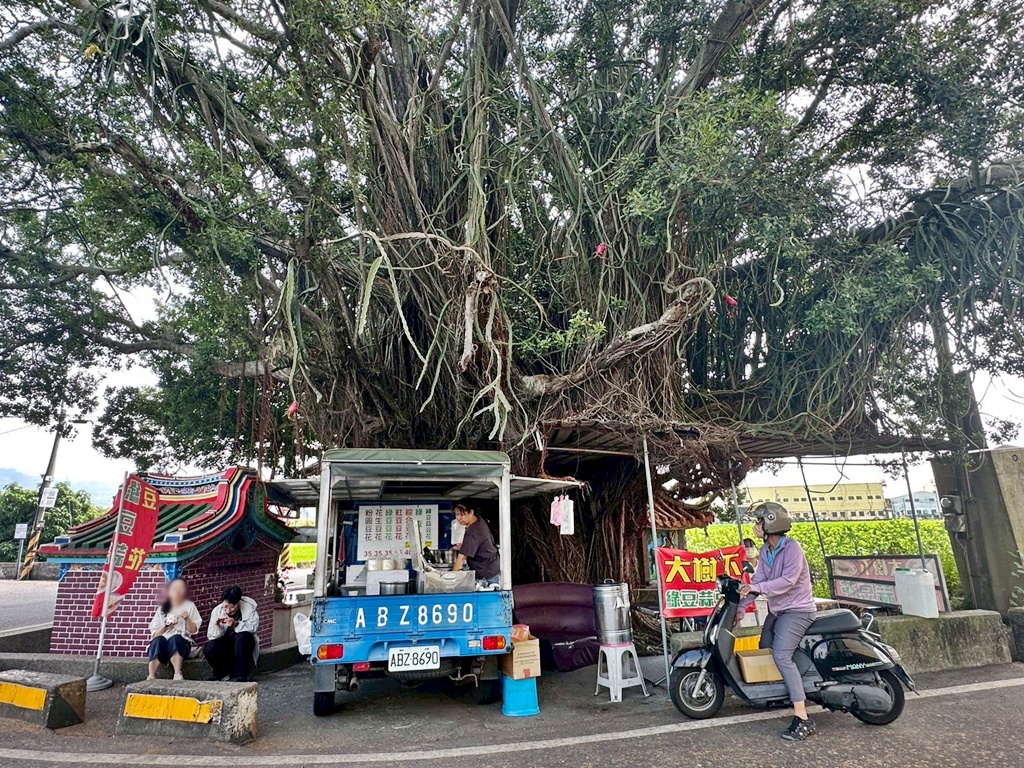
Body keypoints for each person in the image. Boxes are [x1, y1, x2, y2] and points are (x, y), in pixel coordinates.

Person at [739, 502, 817, 741]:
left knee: (781, 655)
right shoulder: (766, 551)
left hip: (798, 610)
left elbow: (788, 581)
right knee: (766, 644)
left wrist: (756, 586)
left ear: (771, 523)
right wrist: (739, 607)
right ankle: (791, 688)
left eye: (759, 521)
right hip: (779, 610)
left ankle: (802, 716)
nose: (755, 526)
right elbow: (760, 580)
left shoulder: (792, 548)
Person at [147, 577, 201, 681]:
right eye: (174, 588)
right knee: (158, 640)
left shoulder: (189, 606)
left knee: (176, 638)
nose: (177, 591)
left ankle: (177, 674)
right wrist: (165, 625)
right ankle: (151, 676)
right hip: (162, 645)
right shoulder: (162, 608)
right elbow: (155, 634)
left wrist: (187, 618)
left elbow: (194, 630)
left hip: (181, 643)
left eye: (181, 588)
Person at [205, 586, 260, 682]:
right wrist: (217, 626)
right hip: (225, 644)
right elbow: (211, 636)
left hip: (243, 644)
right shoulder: (217, 610)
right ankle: (221, 672)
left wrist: (237, 624)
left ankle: (242, 674)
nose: (228, 610)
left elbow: (253, 627)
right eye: (226, 606)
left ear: (238, 602)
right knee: (209, 647)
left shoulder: (249, 608)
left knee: (242, 637)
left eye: (232, 607)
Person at [451, 501, 500, 586]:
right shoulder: (479, 521)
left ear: (471, 512)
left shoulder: (473, 532)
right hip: (492, 568)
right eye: (456, 515)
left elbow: (461, 559)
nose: (458, 518)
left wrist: (452, 581)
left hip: (487, 574)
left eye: (462, 515)